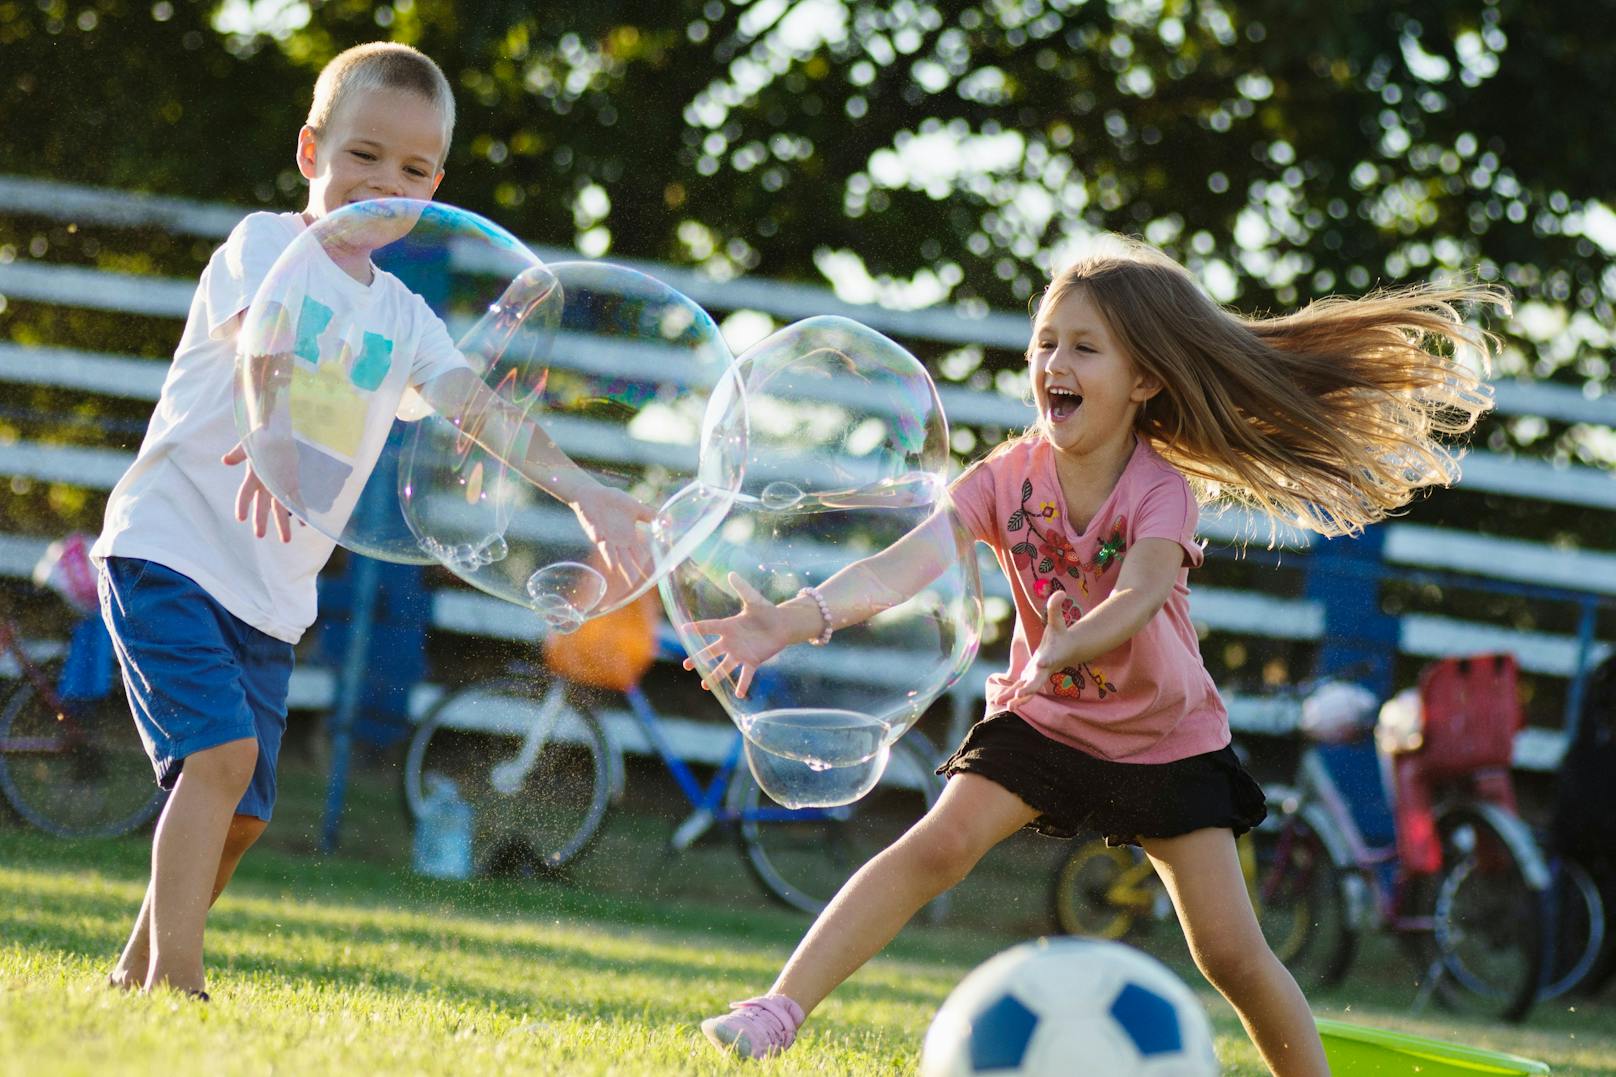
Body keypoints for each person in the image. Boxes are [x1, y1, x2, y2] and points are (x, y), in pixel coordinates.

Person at [688, 236, 1504, 1075]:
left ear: (1144, 379)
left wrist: (1072, 638)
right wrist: (793, 617)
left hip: (1166, 739)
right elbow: (906, 562)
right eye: (1045, 342)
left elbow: (1144, 589)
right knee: (932, 848)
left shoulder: (1161, 487)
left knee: (1230, 952)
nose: (1054, 362)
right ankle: (774, 1011)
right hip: (1043, 719)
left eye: (1083, 347)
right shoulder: (1006, 475)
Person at [92, 41, 647, 1000]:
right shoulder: (269, 247)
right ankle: (174, 984)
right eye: (362, 155)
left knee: (245, 812)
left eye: (413, 169)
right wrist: (268, 438)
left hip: (269, 595)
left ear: (437, 185)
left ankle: (138, 966)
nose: (383, 183)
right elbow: (261, 340)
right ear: (311, 152)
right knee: (216, 760)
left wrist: (585, 490)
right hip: (171, 549)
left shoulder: (406, 319)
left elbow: (483, 411)